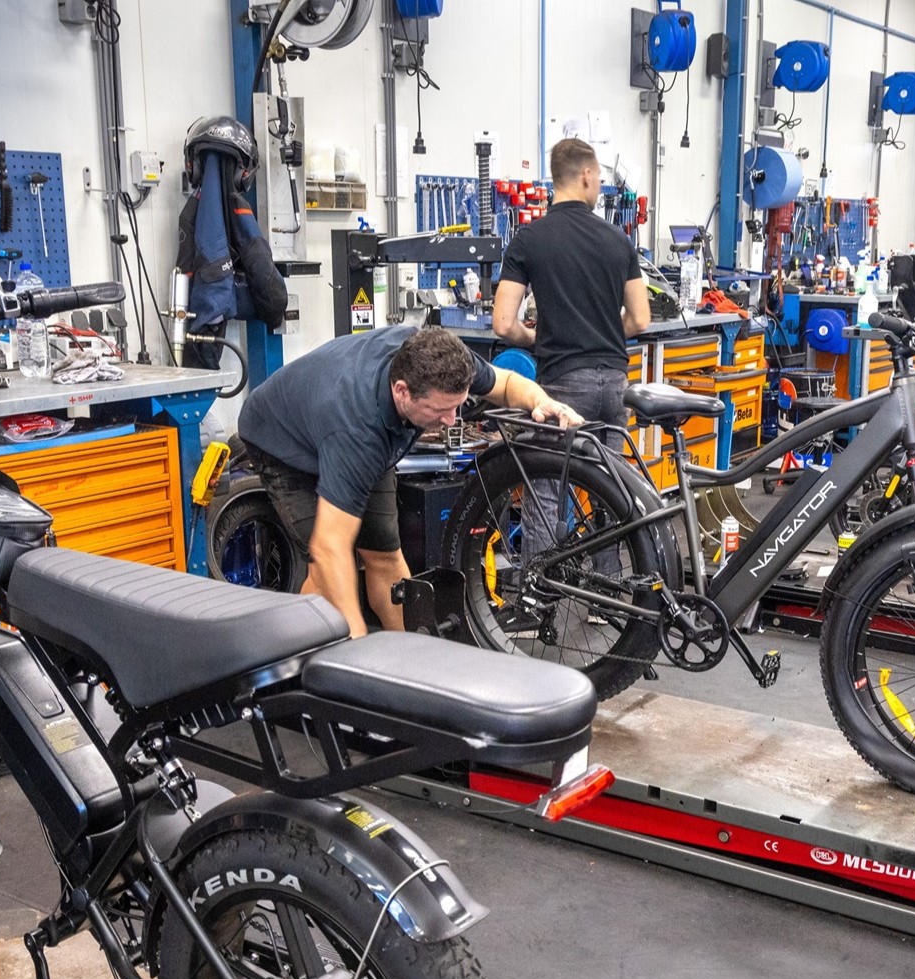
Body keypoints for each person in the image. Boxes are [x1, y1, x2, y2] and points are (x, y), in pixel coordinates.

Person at [236, 325, 581, 637]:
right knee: (328, 569)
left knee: (384, 554)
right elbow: (329, 548)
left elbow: (504, 383)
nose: (451, 420)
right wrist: (360, 648)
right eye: (440, 411)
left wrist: (542, 401)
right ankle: (294, 668)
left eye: (458, 406)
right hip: (283, 446)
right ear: (402, 392)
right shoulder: (356, 428)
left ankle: (412, 657)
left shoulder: (442, 362)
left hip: (360, 439)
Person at [491, 136, 652, 573]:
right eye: (599, 177)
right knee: (611, 486)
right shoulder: (618, 240)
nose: (599, 185)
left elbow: (503, 323)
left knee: (546, 488)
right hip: (615, 385)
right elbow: (640, 319)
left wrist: (537, 337)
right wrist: (600, 328)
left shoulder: (529, 239)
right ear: (584, 175)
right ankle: (610, 593)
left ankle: (537, 597)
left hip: (562, 384)